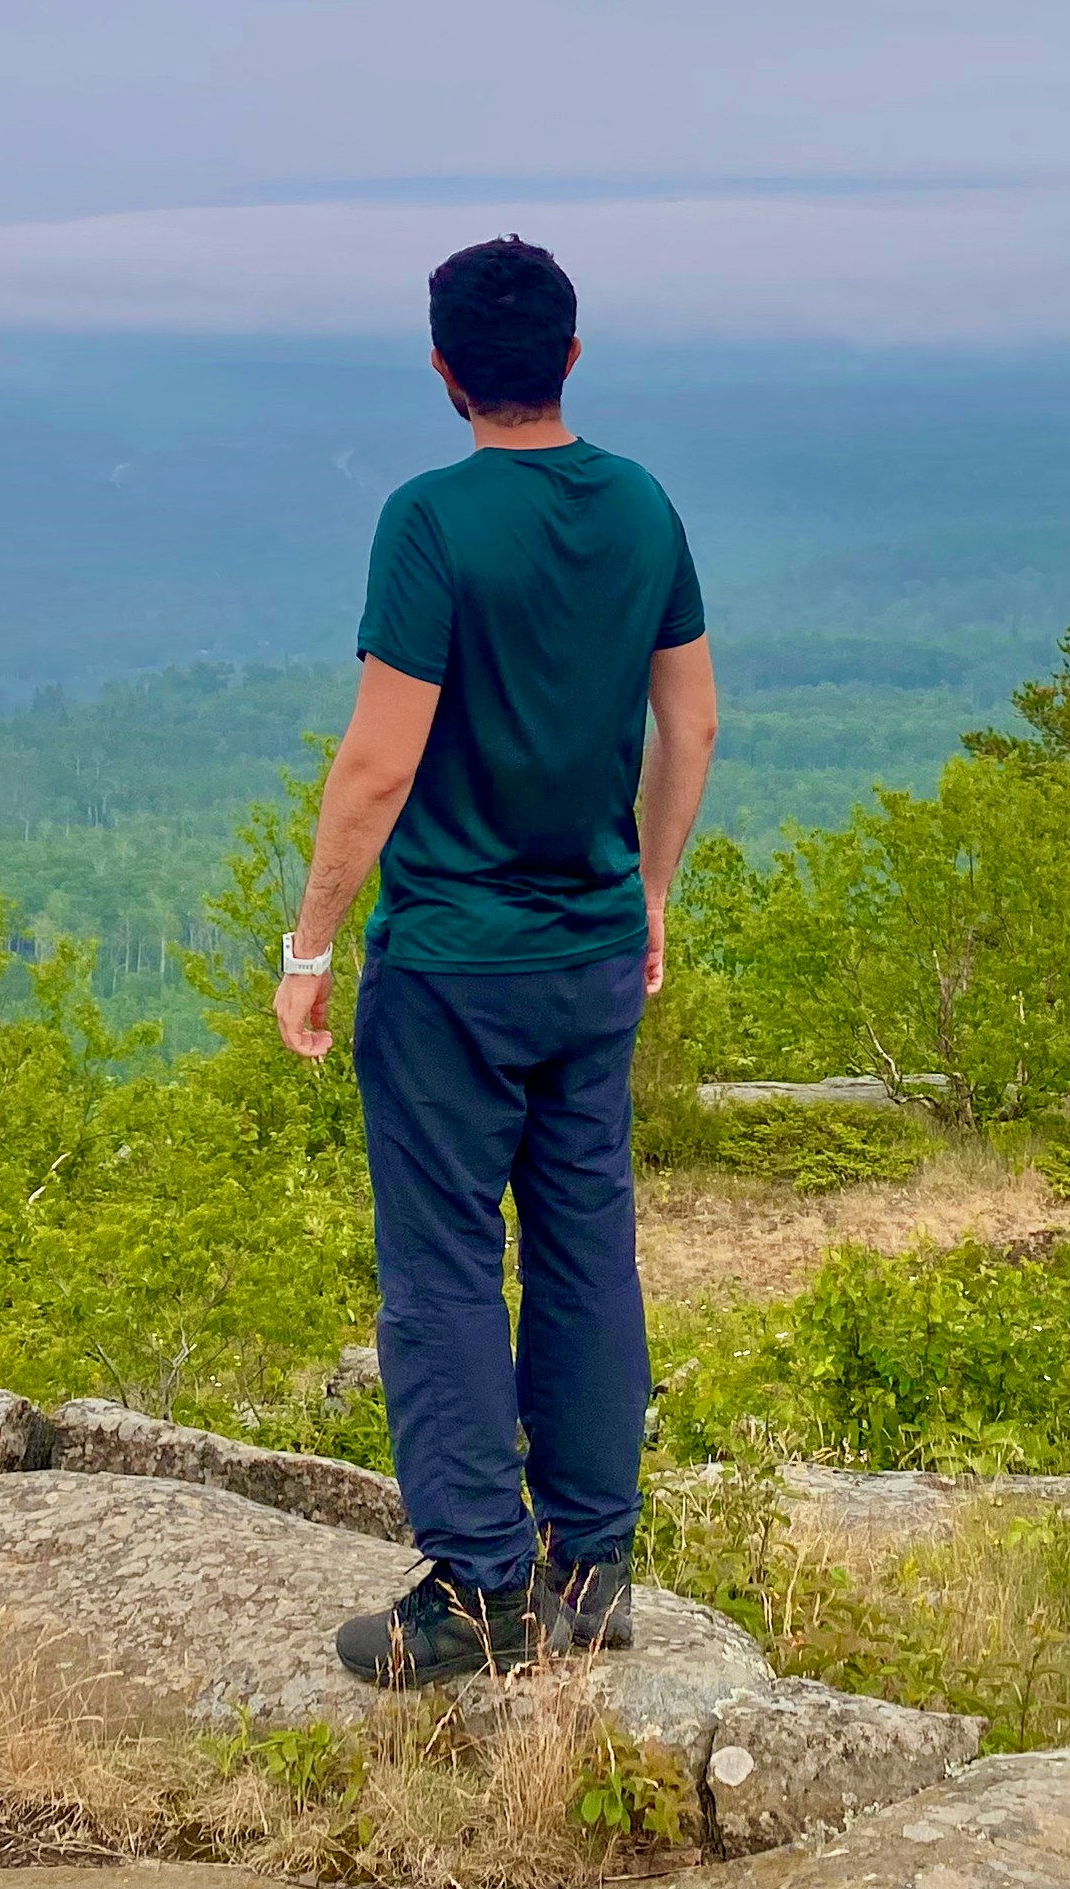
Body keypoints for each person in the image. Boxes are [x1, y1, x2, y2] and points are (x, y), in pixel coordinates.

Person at [276, 236, 721, 1685]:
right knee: (588, 1248)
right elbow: (693, 724)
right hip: (591, 955)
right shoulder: (641, 504)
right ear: (571, 358)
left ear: (445, 372)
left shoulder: (431, 522)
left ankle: (477, 1592)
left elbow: (377, 766)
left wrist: (309, 944)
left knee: (447, 1265)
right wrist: (650, 890)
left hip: (453, 967)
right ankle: (591, 1572)